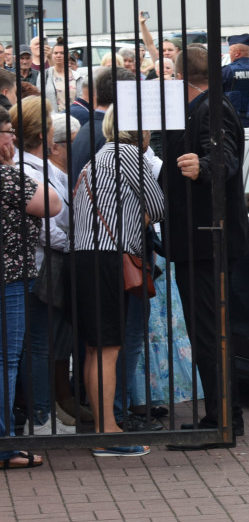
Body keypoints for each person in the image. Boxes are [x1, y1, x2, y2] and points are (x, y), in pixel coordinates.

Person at [162, 46, 249, 450]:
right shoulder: (202, 108)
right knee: (209, 331)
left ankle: (222, 419)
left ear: (181, 78)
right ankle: (222, 414)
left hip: (206, 239)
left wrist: (205, 169)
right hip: (196, 238)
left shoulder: (212, 109)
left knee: (211, 331)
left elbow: (224, 158)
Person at [72, 105, 163, 457]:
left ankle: (100, 425)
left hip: (83, 257)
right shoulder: (130, 157)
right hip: (111, 258)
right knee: (109, 349)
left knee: (95, 347)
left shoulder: (96, 158)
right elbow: (158, 208)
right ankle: (107, 431)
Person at [11, 97, 76, 435]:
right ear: (44, 131)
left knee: (41, 345)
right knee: (36, 346)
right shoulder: (25, 169)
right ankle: (38, 419)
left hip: (46, 264)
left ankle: (39, 414)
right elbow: (43, 227)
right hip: (37, 268)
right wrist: (71, 244)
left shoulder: (44, 167)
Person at [0, 106, 60, 470]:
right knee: (6, 360)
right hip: (9, 278)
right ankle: (5, 445)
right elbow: (52, 203)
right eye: (7, 132)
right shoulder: (7, 177)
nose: (12, 138)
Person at [44, 39, 82, 113]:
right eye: (55, 53)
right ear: (52, 55)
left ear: (67, 55)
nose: (58, 55)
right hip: (53, 118)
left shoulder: (77, 76)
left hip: (73, 117)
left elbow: (81, 99)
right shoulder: (45, 74)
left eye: (62, 53)